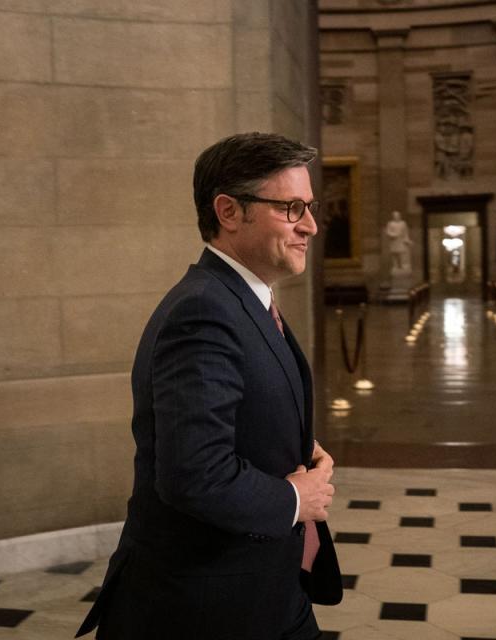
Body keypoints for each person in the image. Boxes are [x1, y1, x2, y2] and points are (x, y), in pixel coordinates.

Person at [76, 133, 341, 640]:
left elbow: (236, 410)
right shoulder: (204, 310)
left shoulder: (243, 299)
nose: (310, 224)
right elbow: (193, 473)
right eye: (291, 208)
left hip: (265, 588)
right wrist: (293, 498)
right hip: (203, 605)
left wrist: (291, 443)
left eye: (310, 206)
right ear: (229, 211)